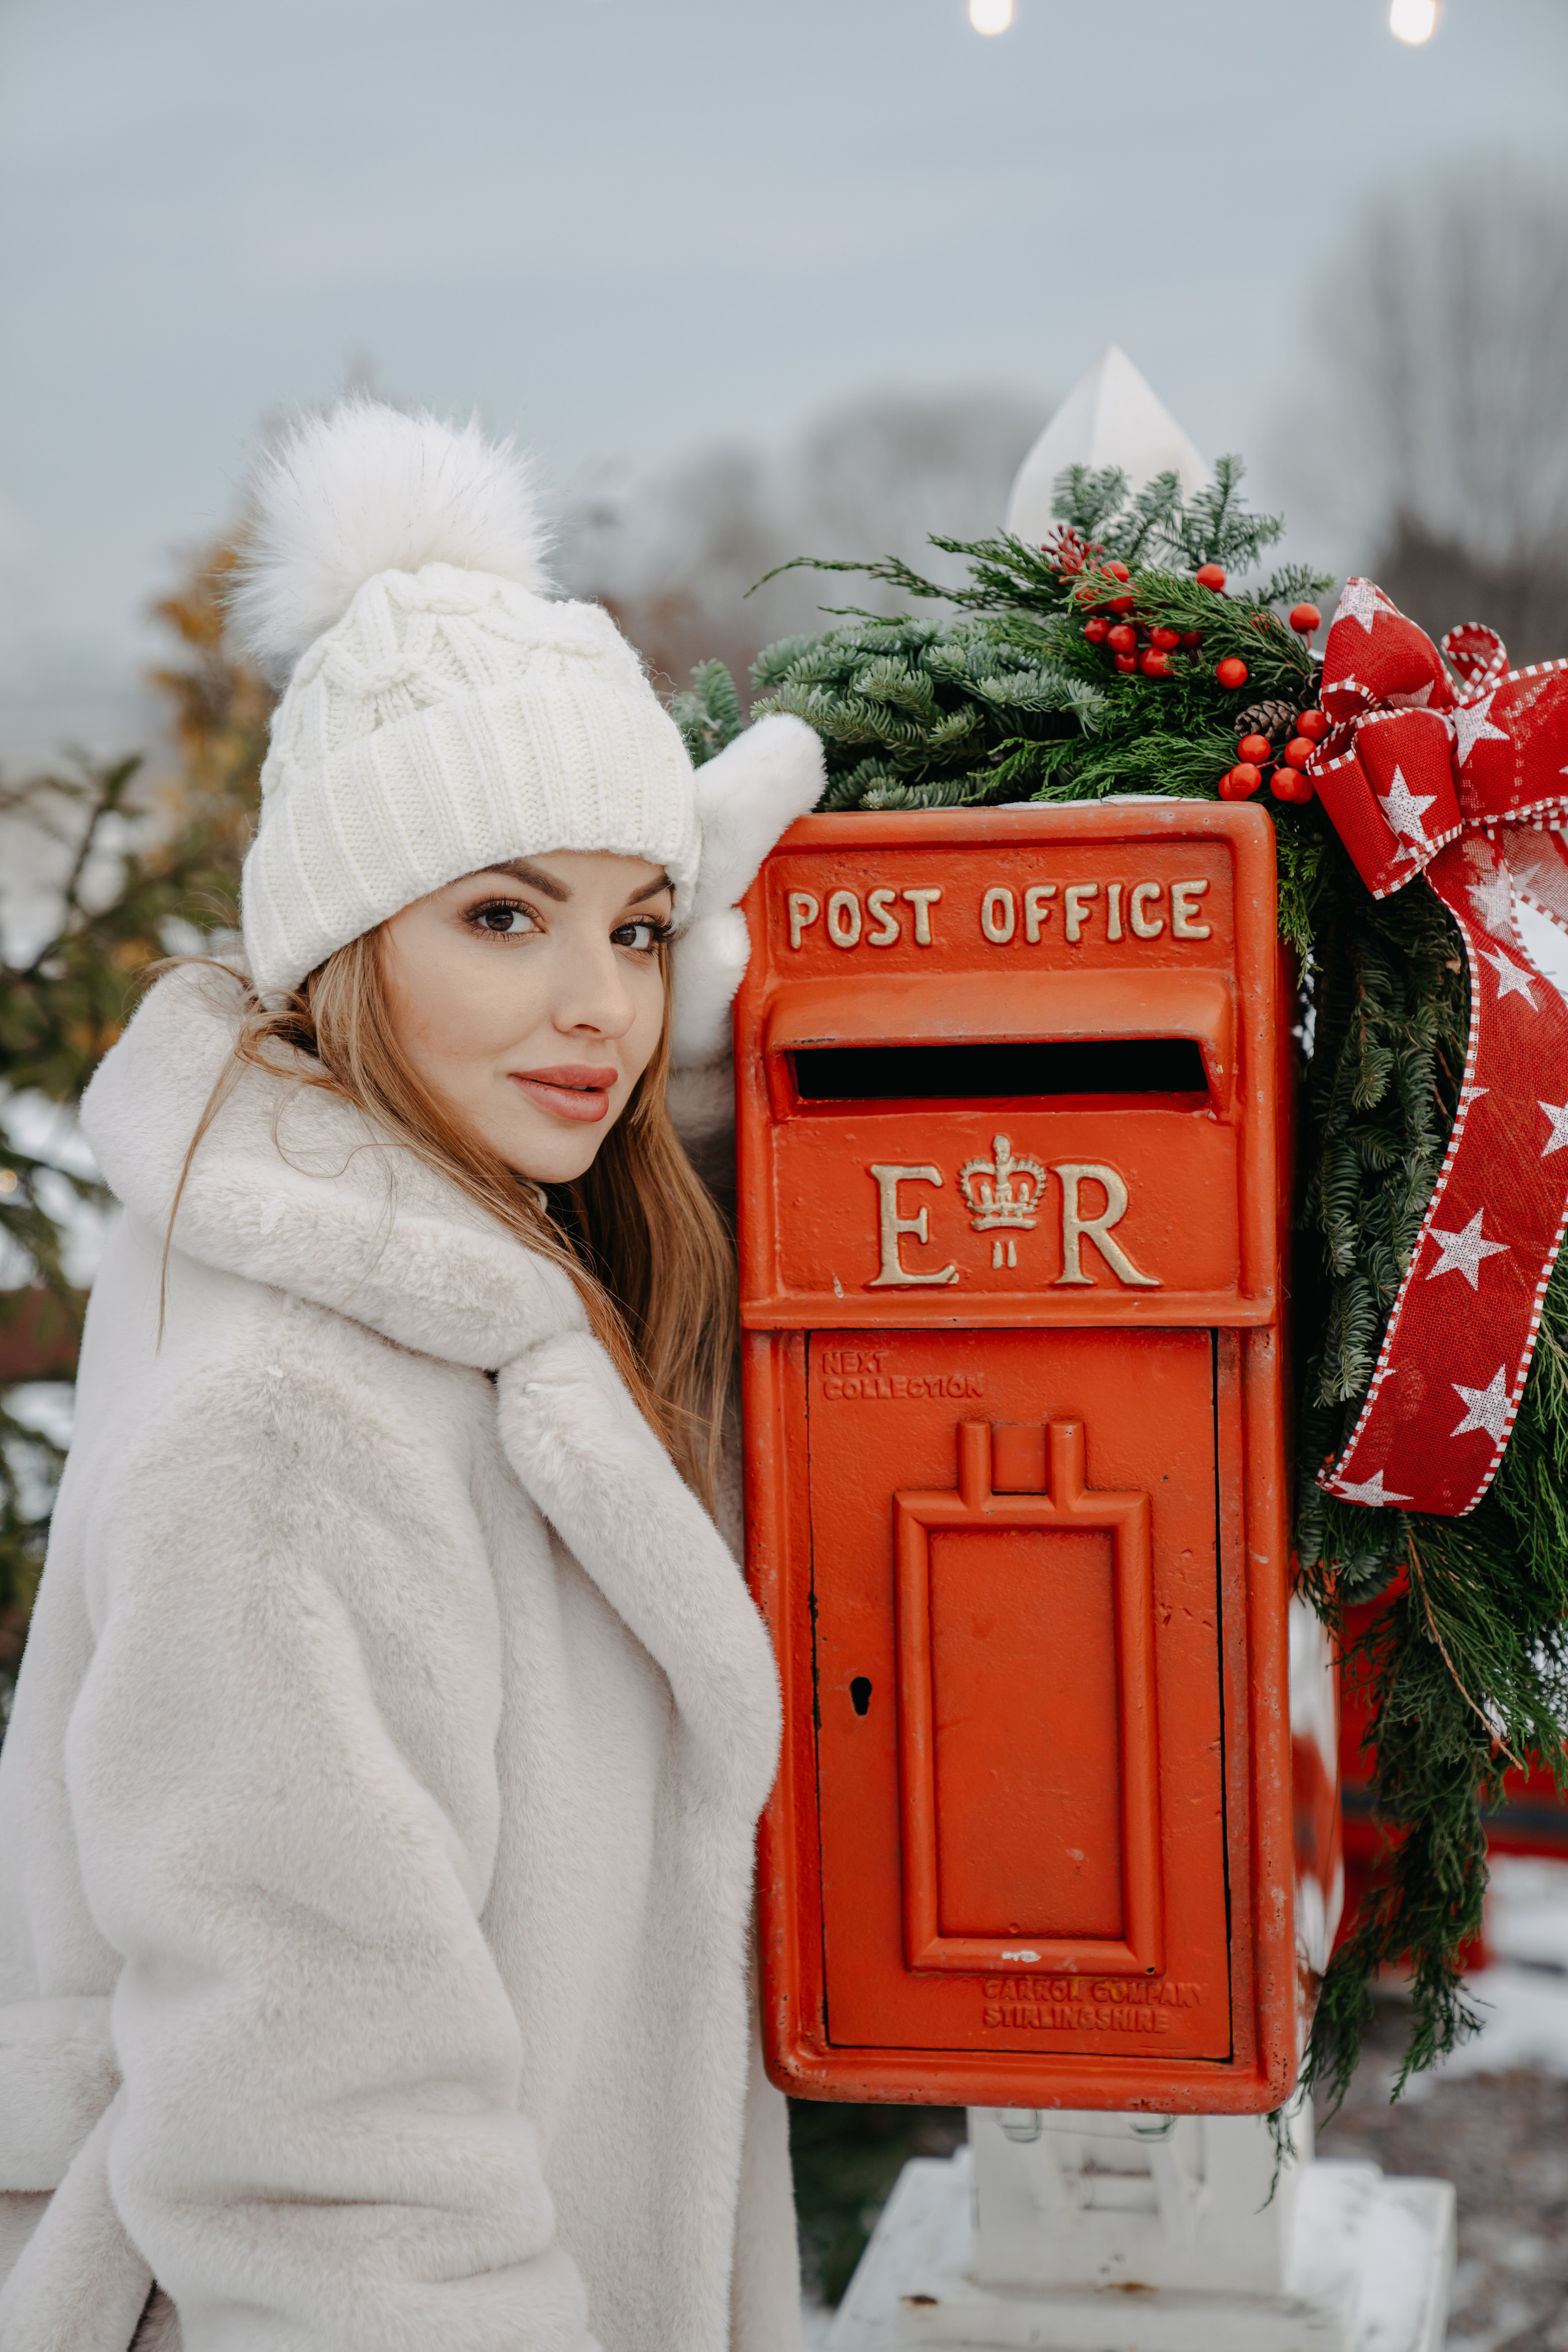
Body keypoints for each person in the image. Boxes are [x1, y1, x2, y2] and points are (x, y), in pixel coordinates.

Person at [0, 400, 826, 2352]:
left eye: (637, 925)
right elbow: (322, 2153)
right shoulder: (297, 1429)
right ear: (346, 946)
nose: (597, 1005)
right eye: (502, 916)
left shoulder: (490, 1315)